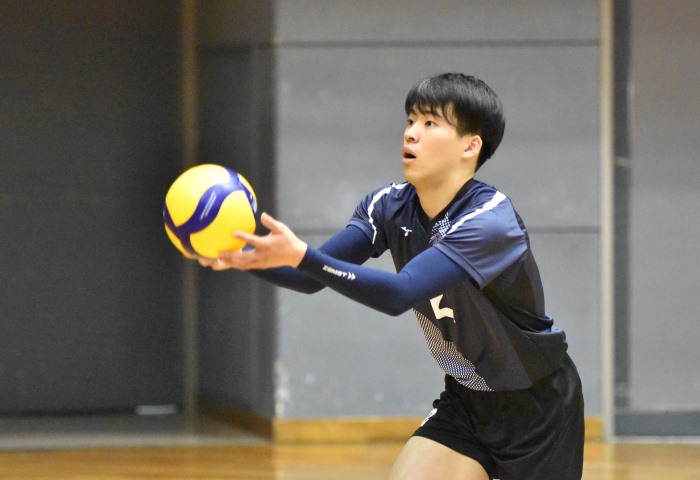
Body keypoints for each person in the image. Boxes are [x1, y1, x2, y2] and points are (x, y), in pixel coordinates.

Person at [198, 73, 584, 480]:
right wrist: (245, 259)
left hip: (537, 406)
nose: (411, 133)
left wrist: (302, 257)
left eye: (430, 123)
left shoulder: (489, 220)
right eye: (411, 120)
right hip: (466, 402)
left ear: (470, 146)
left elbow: (399, 293)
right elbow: (312, 276)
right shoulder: (388, 206)